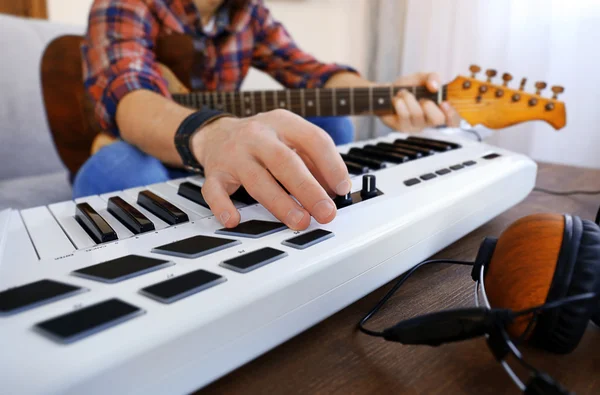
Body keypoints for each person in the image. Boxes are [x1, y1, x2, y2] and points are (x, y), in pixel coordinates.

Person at [76, 0, 459, 231]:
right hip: (151, 146)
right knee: (123, 173)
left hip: (222, 154)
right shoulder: (128, 3)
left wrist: (383, 96)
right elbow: (130, 96)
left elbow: (310, 73)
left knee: (330, 124)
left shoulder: (249, 13)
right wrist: (214, 136)